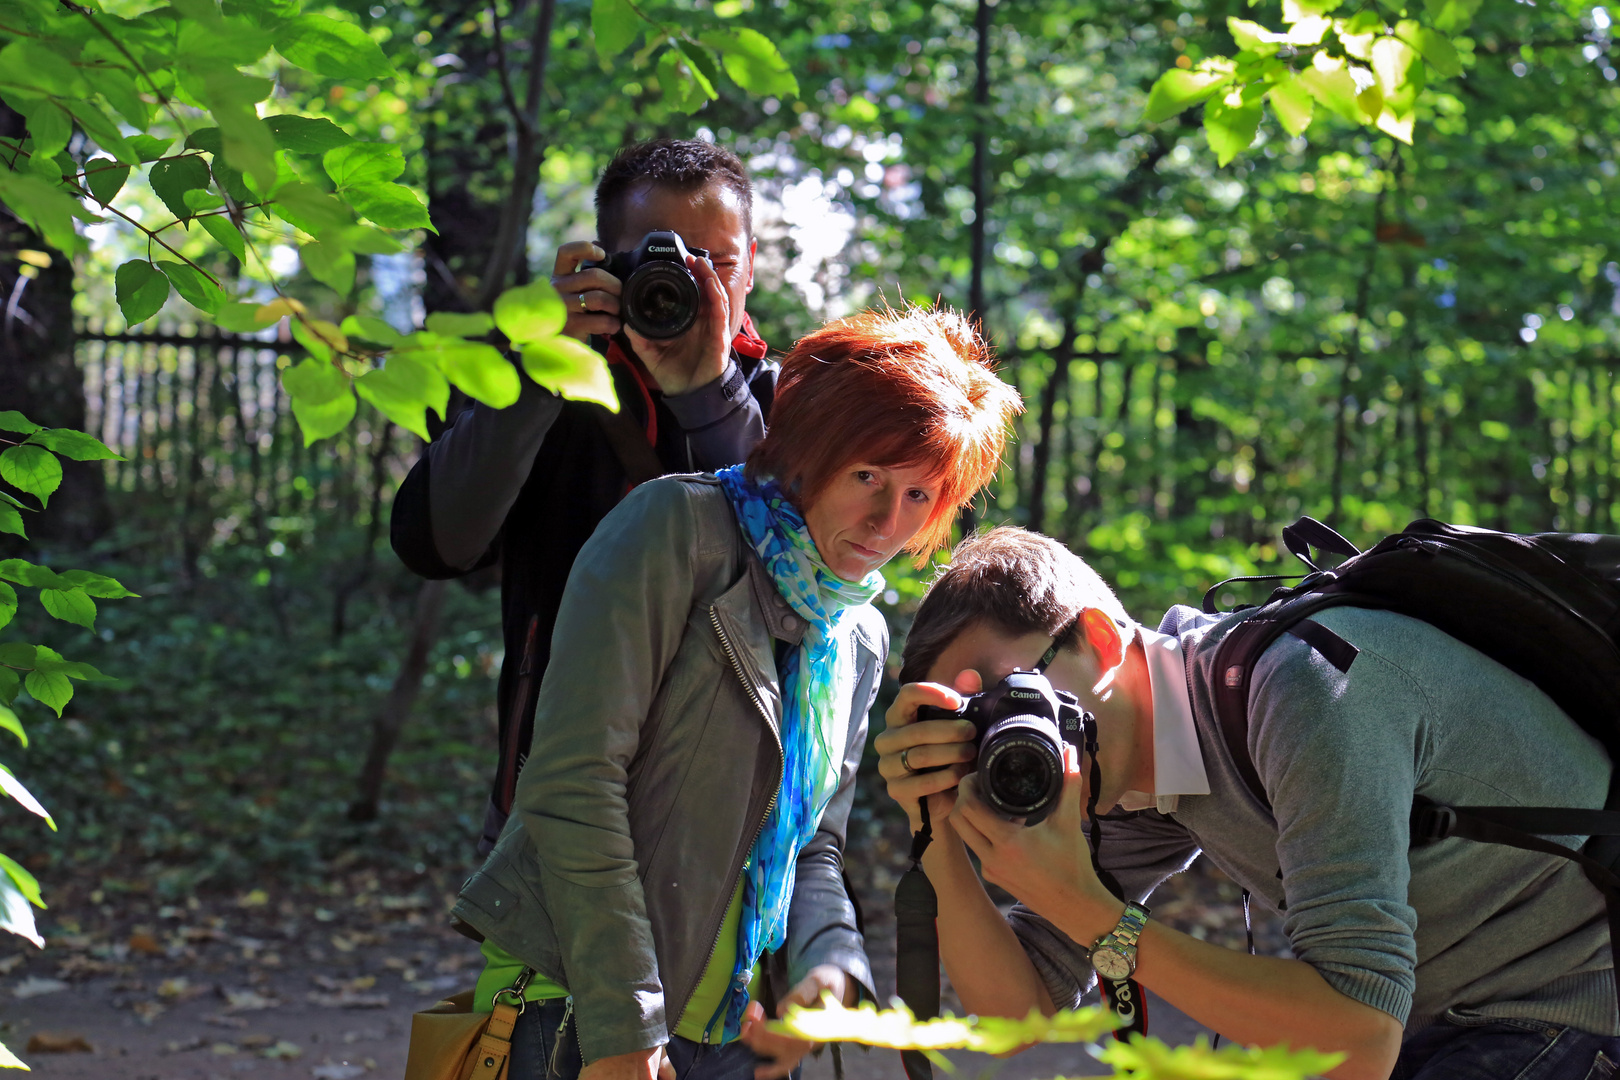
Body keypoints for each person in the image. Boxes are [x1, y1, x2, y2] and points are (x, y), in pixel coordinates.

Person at [450, 307, 1022, 1080]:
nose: (888, 521)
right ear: (808, 449)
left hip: (728, 1033)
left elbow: (816, 844)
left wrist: (829, 967)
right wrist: (626, 1024)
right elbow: (572, 782)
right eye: (868, 477)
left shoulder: (854, 633)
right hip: (575, 1007)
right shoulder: (675, 529)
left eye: (920, 496)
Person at [876, 526, 1618, 1080]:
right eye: (979, 726)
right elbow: (1021, 1011)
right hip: (1449, 1021)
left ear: (1100, 641)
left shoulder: (1304, 692)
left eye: (1019, 697)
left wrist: (1096, 915)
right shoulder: (1131, 771)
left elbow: (1358, 1039)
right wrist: (933, 828)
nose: (1014, 735)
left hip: (1569, 1002)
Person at [391, 139, 777, 852]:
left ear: (750, 266)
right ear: (604, 266)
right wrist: (541, 372)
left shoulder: (783, 400)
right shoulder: (543, 390)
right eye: (656, 259)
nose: (690, 283)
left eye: (716, 262)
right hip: (552, 809)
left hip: (736, 816)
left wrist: (711, 393)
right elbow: (436, 543)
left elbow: (804, 567)